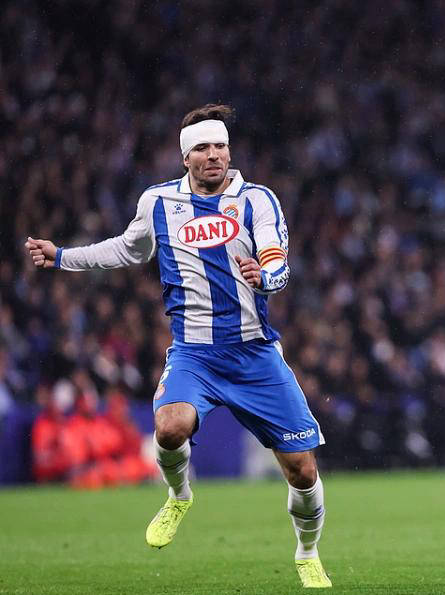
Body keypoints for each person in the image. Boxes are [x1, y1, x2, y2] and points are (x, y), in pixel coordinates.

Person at [24, 104, 332, 589]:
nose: (214, 156)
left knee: (302, 471)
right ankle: (178, 495)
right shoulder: (159, 202)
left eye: (221, 146)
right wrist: (63, 256)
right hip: (194, 354)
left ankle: (307, 552)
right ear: (186, 157)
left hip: (254, 355)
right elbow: (126, 248)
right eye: (203, 148)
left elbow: (277, 258)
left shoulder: (256, 200)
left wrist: (267, 276)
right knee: (169, 428)